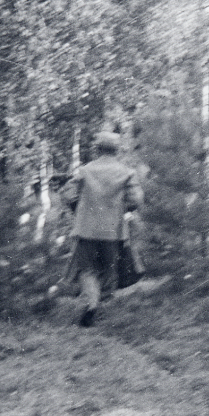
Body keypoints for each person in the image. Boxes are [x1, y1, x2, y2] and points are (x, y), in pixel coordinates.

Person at [63, 130, 144, 327]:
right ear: (117, 150)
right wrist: (125, 208)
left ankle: (91, 304)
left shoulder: (85, 170)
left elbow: (68, 193)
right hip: (113, 232)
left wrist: (79, 210)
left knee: (87, 270)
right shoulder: (126, 172)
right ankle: (100, 302)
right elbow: (136, 200)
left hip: (86, 230)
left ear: (97, 149)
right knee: (108, 270)